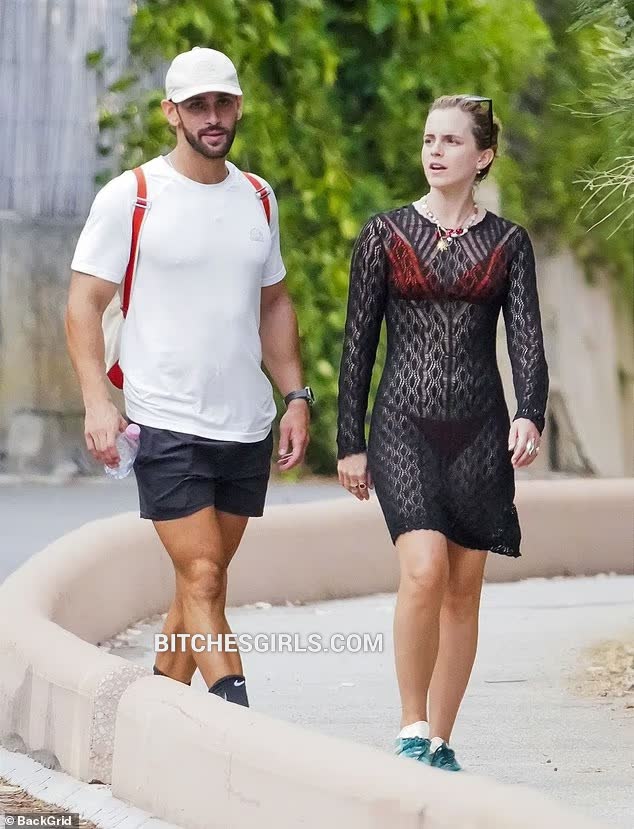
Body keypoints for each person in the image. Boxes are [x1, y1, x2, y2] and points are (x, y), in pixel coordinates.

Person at [66, 47, 314, 706]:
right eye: (197, 105)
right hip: (165, 420)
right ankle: (236, 719)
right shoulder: (133, 195)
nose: (212, 116)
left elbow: (274, 302)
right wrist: (97, 401)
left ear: (238, 107)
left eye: (222, 102)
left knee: (198, 583)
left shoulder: (258, 197)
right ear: (170, 112)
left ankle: (152, 720)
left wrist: (296, 395)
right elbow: (83, 303)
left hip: (246, 424)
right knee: (203, 575)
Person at [336, 95, 549, 770]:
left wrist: (530, 411)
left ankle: (441, 741)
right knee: (425, 569)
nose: (435, 151)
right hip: (403, 425)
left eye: (452, 141)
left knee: (463, 590)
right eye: (429, 139)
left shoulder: (509, 243)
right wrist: (350, 441)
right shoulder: (384, 234)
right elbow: (358, 344)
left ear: (483, 156)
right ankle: (411, 723)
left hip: (481, 433)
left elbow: (526, 341)